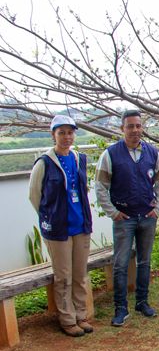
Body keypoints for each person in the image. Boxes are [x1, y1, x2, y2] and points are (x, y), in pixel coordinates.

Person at [95, 110, 159, 327]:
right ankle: (121, 308)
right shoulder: (110, 154)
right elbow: (100, 187)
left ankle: (142, 302)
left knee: (145, 261)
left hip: (147, 216)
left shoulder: (153, 153)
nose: (135, 130)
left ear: (142, 127)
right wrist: (113, 212)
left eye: (138, 126)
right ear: (122, 129)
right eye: (130, 126)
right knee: (121, 263)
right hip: (124, 219)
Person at [29, 115, 94, 337]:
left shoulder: (79, 159)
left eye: (70, 132)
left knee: (79, 274)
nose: (67, 137)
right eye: (62, 132)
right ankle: (67, 319)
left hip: (80, 225)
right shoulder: (44, 162)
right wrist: (51, 216)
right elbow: (34, 196)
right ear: (53, 135)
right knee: (63, 275)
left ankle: (81, 315)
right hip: (58, 230)